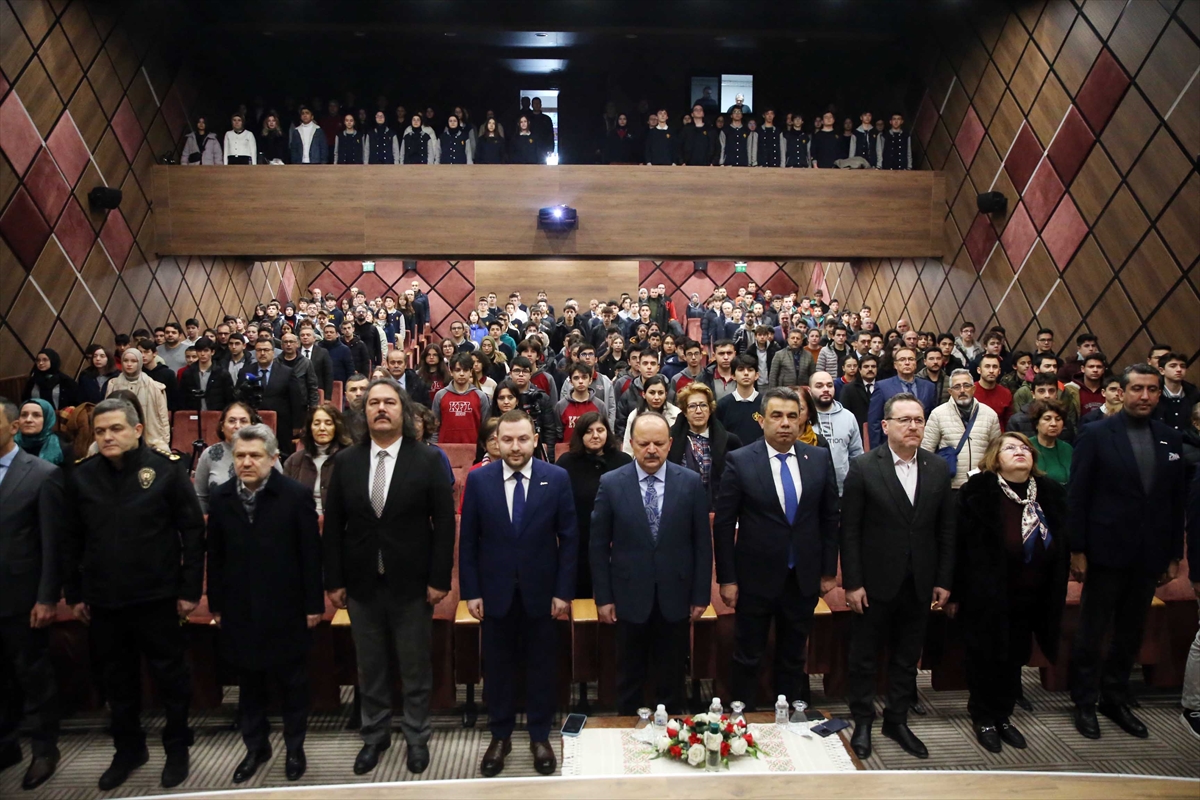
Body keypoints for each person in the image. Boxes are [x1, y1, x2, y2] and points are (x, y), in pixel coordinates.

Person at [62, 398, 204, 790]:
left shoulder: (166, 470)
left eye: (116, 429)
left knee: (171, 678)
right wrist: (73, 593)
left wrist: (190, 588)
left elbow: (192, 532)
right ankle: (128, 750)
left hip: (157, 596)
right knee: (117, 681)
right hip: (104, 600)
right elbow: (70, 540)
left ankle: (177, 747)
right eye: (101, 431)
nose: (107, 437)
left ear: (137, 430)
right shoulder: (82, 476)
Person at [322, 379, 454, 776]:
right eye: (374, 402)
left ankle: (417, 737)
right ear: (364, 413)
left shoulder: (429, 460)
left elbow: (444, 525)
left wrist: (439, 579)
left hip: (413, 583)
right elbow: (333, 528)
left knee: (414, 666)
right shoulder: (345, 462)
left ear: (404, 411)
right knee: (370, 666)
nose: (381, 408)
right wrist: (334, 581)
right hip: (361, 582)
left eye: (389, 402)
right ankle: (374, 736)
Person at [1068, 365, 1186, 741]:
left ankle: (1114, 696)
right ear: (1121, 391)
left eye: (1152, 390)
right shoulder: (1096, 433)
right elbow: (1078, 495)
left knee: (1130, 631)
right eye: (1138, 389)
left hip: (1149, 553)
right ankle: (1084, 700)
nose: (1146, 396)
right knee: (1093, 629)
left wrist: (1171, 555)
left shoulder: (1169, 437)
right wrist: (1077, 549)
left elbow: (1173, 502)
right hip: (1104, 550)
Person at [459, 410, 577, 777]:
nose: (514, 446)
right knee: (497, 668)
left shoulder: (556, 478)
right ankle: (500, 735)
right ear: (496, 441)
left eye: (522, 439)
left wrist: (563, 592)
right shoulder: (479, 480)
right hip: (494, 593)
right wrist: (471, 591)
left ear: (535, 439)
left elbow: (570, 539)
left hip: (543, 594)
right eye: (506, 440)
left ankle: (540, 735)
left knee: (542, 667)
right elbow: (469, 542)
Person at [206, 424, 322, 783]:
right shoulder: (222, 498)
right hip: (240, 608)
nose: (246, 462)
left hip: (286, 606)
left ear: (274, 459)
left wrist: (313, 604)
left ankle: (294, 748)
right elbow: (217, 556)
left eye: (255, 455)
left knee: (292, 685)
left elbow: (309, 556)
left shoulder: (295, 496)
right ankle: (255, 748)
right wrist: (217, 605)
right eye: (240, 455)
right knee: (249, 687)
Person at [842, 393, 955, 760]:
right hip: (874, 583)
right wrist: (853, 582)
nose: (913, 426)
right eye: (905, 420)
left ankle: (897, 719)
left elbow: (945, 530)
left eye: (919, 420)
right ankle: (862, 721)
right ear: (885, 425)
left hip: (920, 581)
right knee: (865, 657)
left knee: (908, 657)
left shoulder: (937, 467)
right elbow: (850, 530)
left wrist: (943, 578)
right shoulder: (863, 467)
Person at [712, 387, 840, 709]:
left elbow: (829, 518)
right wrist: (727, 579)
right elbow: (725, 524)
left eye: (792, 416)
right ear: (762, 419)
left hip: (803, 578)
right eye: (777, 416)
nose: (785, 423)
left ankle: (790, 718)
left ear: (801, 420)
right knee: (748, 654)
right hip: (755, 578)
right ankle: (742, 716)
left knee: (794, 654)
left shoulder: (819, 458)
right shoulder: (740, 461)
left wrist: (827, 571)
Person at [948, 433, 1068, 752]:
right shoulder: (977, 492)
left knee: (1015, 657)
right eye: (1010, 448)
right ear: (995, 457)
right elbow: (957, 546)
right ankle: (984, 717)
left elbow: (1062, 543)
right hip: (985, 594)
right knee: (985, 657)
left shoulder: (1050, 493)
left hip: (1033, 593)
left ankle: (1004, 716)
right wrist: (955, 591)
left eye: (1025, 448)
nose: (1020, 452)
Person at [591, 412, 710, 715]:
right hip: (628, 597)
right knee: (629, 676)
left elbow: (702, 545)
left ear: (670, 444)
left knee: (671, 678)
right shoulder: (611, 483)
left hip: (676, 597)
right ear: (631, 444)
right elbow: (597, 545)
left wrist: (700, 596)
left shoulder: (691, 483)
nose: (651, 450)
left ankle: (672, 740)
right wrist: (603, 598)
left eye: (658, 443)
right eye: (644, 444)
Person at [0, 397, 65, 790]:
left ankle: (45, 749)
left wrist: (46, 597)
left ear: (12, 428)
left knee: (33, 676)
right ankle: (5, 745)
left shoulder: (40, 474)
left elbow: (52, 543)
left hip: (22, 596)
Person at [554, 412, 631, 600]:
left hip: (617, 539)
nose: (595, 435)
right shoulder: (566, 462)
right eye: (588, 431)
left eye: (600, 430)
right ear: (580, 435)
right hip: (579, 539)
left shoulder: (623, 461)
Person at [919, 369, 1002, 489]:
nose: (962, 390)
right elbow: (926, 451)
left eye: (966, 386)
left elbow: (995, 452)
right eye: (957, 387)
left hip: (982, 485)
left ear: (973, 389)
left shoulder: (990, 414)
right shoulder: (938, 414)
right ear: (950, 391)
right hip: (950, 485)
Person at [668, 382, 741, 508]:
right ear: (684, 412)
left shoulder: (729, 441)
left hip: (718, 508)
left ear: (710, 409)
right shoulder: (670, 440)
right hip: (680, 507)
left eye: (703, 405)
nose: (698, 411)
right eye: (692, 406)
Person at [238, 338, 305, 456]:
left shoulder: (287, 372)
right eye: (259, 350)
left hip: (281, 424)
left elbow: (296, 399)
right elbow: (240, 398)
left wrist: (296, 425)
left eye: (266, 350)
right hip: (253, 423)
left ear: (273, 352)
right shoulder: (246, 371)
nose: (262, 353)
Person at [283, 404, 351, 517]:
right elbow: (284, 498)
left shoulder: (349, 458)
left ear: (337, 427)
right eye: (316, 423)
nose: (322, 428)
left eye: (328, 423)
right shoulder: (294, 460)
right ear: (310, 427)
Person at [867, 346, 936, 449]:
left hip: (922, 445)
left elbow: (932, 419)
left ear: (916, 363)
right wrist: (877, 451)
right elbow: (874, 422)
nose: (907, 363)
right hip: (892, 445)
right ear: (895, 365)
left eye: (911, 359)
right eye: (902, 360)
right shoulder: (882, 387)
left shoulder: (929, 387)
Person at [105, 348, 170, 452]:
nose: (129, 364)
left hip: (150, 437)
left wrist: (165, 440)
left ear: (139, 362)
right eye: (126, 361)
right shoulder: (113, 384)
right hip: (118, 437)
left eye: (133, 361)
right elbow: (106, 412)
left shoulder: (154, 386)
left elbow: (162, 416)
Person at [810, 372, 864, 493]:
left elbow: (856, 454)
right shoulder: (803, 418)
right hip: (811, 490)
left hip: (843, 490)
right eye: (819, 386)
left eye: (829, 385)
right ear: (810, 390)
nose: (825, 389)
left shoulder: (848, 417)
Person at [432, 352, 490, 444]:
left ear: (471, 372)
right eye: (457, 370)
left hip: (474, 450)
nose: (461, 374)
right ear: (451, 372)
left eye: (465, 370)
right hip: (445, 450)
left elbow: (486, 428)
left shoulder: (481, 396)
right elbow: (434, 428)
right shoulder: (440, 395)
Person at [621, 374, 680, 454]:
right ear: (644, 394)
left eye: (660, 393)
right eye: (652, 393)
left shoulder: (677, 414)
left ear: (666, 394)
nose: (656, 397)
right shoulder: (635, 415)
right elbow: (628, 449)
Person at [178, 337, 235, 413]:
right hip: (194, 414)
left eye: (206, 350)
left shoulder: (222, 373)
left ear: (212, 352)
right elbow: (182, 397)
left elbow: (229, 398)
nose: (202, 354)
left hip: (216, 414)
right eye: (199, 351)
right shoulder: (188, 373)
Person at [1027, 399, 1072, 486]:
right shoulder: (1027, 447)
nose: (1054, 424)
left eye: (1058, 419)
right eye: (1047, 419)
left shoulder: (1068, 448)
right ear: (1036, 424)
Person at [14, 398, 68, 467]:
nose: (28, 420)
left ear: (47, 419)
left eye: (36, 415)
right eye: (24, 415)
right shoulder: (9, 445)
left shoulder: (62, 448)